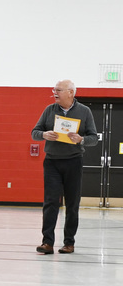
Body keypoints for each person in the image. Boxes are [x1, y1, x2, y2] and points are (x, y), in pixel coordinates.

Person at [31, 80, 98, 254]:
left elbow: (93, 137)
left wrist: (81, 139)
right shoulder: (49, 110)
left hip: (73, 162)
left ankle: (69, 243)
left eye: (59, 90)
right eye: (54, 90)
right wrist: (44, 134)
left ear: (70, 93)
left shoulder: (84, 111)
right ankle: (47, 243)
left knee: (72, 204)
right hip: (52, 162)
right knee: (51, 202)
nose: (55, 92)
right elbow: (34, 133)